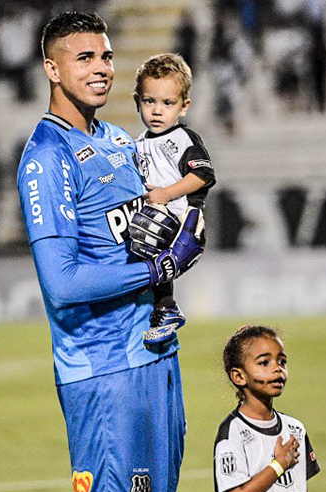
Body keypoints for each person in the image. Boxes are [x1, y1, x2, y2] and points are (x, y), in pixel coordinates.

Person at [16, 12, 206, 492]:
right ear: (52, 69)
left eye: (106, 56)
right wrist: (158, 266)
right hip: (103, 366)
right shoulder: (47, 158)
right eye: (85, 58)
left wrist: (184, 232)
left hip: (156, 352)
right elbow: (63, 283)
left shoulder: (123, 140)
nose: (101, 69)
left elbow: (147, 230)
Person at [131, 52, 216, 345]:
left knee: (153, 239)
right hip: (157, 219)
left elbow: (202, 176)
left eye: (168, 103)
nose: (157, 110)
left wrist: (165, 194)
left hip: (184, 220)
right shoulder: (138, 144)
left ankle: (167, 308)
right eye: (149, 101)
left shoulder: (184, 139)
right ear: (137, 101)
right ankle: (160, 307)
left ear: (183, 107)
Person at [213, 325, 320, 492]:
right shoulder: (232, 431)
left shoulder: (295, 429)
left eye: (282, 361)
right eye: (264, 362)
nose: (277, 369)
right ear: (239, 376)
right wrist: (279, 464)